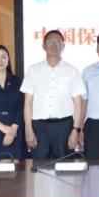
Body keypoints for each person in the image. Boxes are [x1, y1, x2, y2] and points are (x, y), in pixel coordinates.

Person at [22, 30, 85, 159]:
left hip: (64, 126)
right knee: (40, 167)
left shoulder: (72, 71)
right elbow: (28, 103)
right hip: (39, 127)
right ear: (43, 45)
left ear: (63, 46)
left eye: (57, 42)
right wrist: (28, 129)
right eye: (50, 41)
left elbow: (78, 105)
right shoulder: (33, 70)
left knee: (65, 167)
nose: (53, 45)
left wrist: (75, 130)